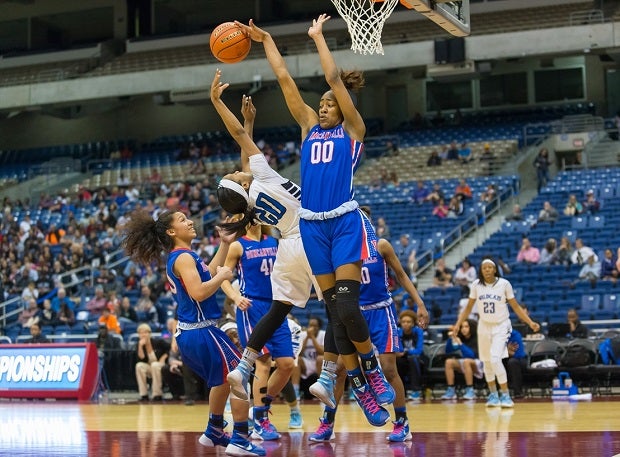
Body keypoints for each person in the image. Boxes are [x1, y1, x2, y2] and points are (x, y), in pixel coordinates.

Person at [232, 16, 396, 427]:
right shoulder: (307, 129)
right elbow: (285, 78)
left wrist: (318, 37)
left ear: (342, 109)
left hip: (342, 222)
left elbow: (334, 76)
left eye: (329, 104)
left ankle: (370, 368)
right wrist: (267, 39)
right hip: (310, 227)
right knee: (336, 311)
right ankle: (356, 380)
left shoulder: (353, 132)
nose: (322, 107)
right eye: (320, 104)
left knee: (346, 305)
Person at [209, 71, 320, 428]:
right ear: (241, 184)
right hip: (302, 242)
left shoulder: (251, 205)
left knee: (285, 362)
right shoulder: (263, 184)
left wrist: (249, 121)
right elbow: (241, 142)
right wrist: (219, 105)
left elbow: (244, 144)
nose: (241, 172)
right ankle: (342, 374)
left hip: (291, 248)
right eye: (238, 174)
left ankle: (264, 404)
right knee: (341, 299)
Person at [122, 209, 266, 456]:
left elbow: (208, 272)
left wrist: (224, 244)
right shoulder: (182, 258)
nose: (189, 222)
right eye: (182, 220)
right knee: (238, 377)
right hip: (201, 331)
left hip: (195, 331)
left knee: (222, 381)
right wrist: (222, 276)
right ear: (171, 231)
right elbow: (199, 292)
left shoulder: (183, 256)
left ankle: (214, 430)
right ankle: (241, 438)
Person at [307, 210, 428, 442]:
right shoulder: (340, 249)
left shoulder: (380, 245)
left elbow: (401, 275)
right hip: (353, 314)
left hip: (381, 311)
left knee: (389, 368)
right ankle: (327, 422)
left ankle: (401, 422)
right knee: (340, 370)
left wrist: (419, 303)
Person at [220, 221, 299, 438]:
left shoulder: (275, 241)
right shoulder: (238, 246)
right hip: (252, 307)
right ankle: (261, 420)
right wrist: (236, 297)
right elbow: (224, 279)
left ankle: (260, 407)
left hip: (276, 306)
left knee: (286, 364)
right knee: (263, 364)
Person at [453, 256, 540, 408]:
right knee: (487, 363)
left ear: (494, 269)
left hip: (501, 325)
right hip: (484, 325)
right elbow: (468, 308)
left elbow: (516, 307)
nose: (486, 270)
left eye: (489, 267)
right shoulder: (476, 285)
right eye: (484, 267)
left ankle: (505, 395)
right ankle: (493, 395)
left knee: (495, 359)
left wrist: (530, 322)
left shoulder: (504, 284)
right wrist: (457, 325)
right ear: (481, 270)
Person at [440, 319, 482, 401]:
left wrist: (460, 344)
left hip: (479, 363)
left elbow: (471, 355)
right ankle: (451, 390)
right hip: (465, 362)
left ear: (471, 327)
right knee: (448, 362)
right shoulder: (461, 337)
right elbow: (448, 351)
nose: (464, 329)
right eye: (462, 327)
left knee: (466, 361)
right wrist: (451, 338)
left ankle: (470, 390)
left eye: (466, 327)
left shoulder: (477, 337)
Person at [395, 310, 427, 402]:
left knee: (413, 359)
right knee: (397, 362)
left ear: (413, 323)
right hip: (403, 358)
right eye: (403, 322)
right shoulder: (398, 332)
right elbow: (397, 350)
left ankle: (416, 390)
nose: (405, 324)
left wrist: (405, 352)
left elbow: (419, 350)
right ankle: (401, 391)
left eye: (408, 322)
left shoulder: (418, 332)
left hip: (417, 358)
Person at [134, 323, 169, 402]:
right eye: (141, 333)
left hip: (160, 365)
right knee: (139, 366)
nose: (143, 335)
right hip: (150, 367)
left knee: (155, 365)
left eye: (145, 332)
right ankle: (144, 394)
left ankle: (157, 394)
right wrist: (140, 346)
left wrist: (163, 358)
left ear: (149, 334)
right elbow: (141, 359)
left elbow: (169, 349)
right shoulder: (139, 345)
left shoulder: (158, 342)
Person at [504, 329, 528, 399]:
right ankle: (495, 393)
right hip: (503, 359)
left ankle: (518, 393)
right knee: (494, 361)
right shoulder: (494, 336)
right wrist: (506, 350)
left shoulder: (515, 335)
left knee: (513, 362)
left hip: (519, 360)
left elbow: (516, 354)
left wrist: (502, 350)